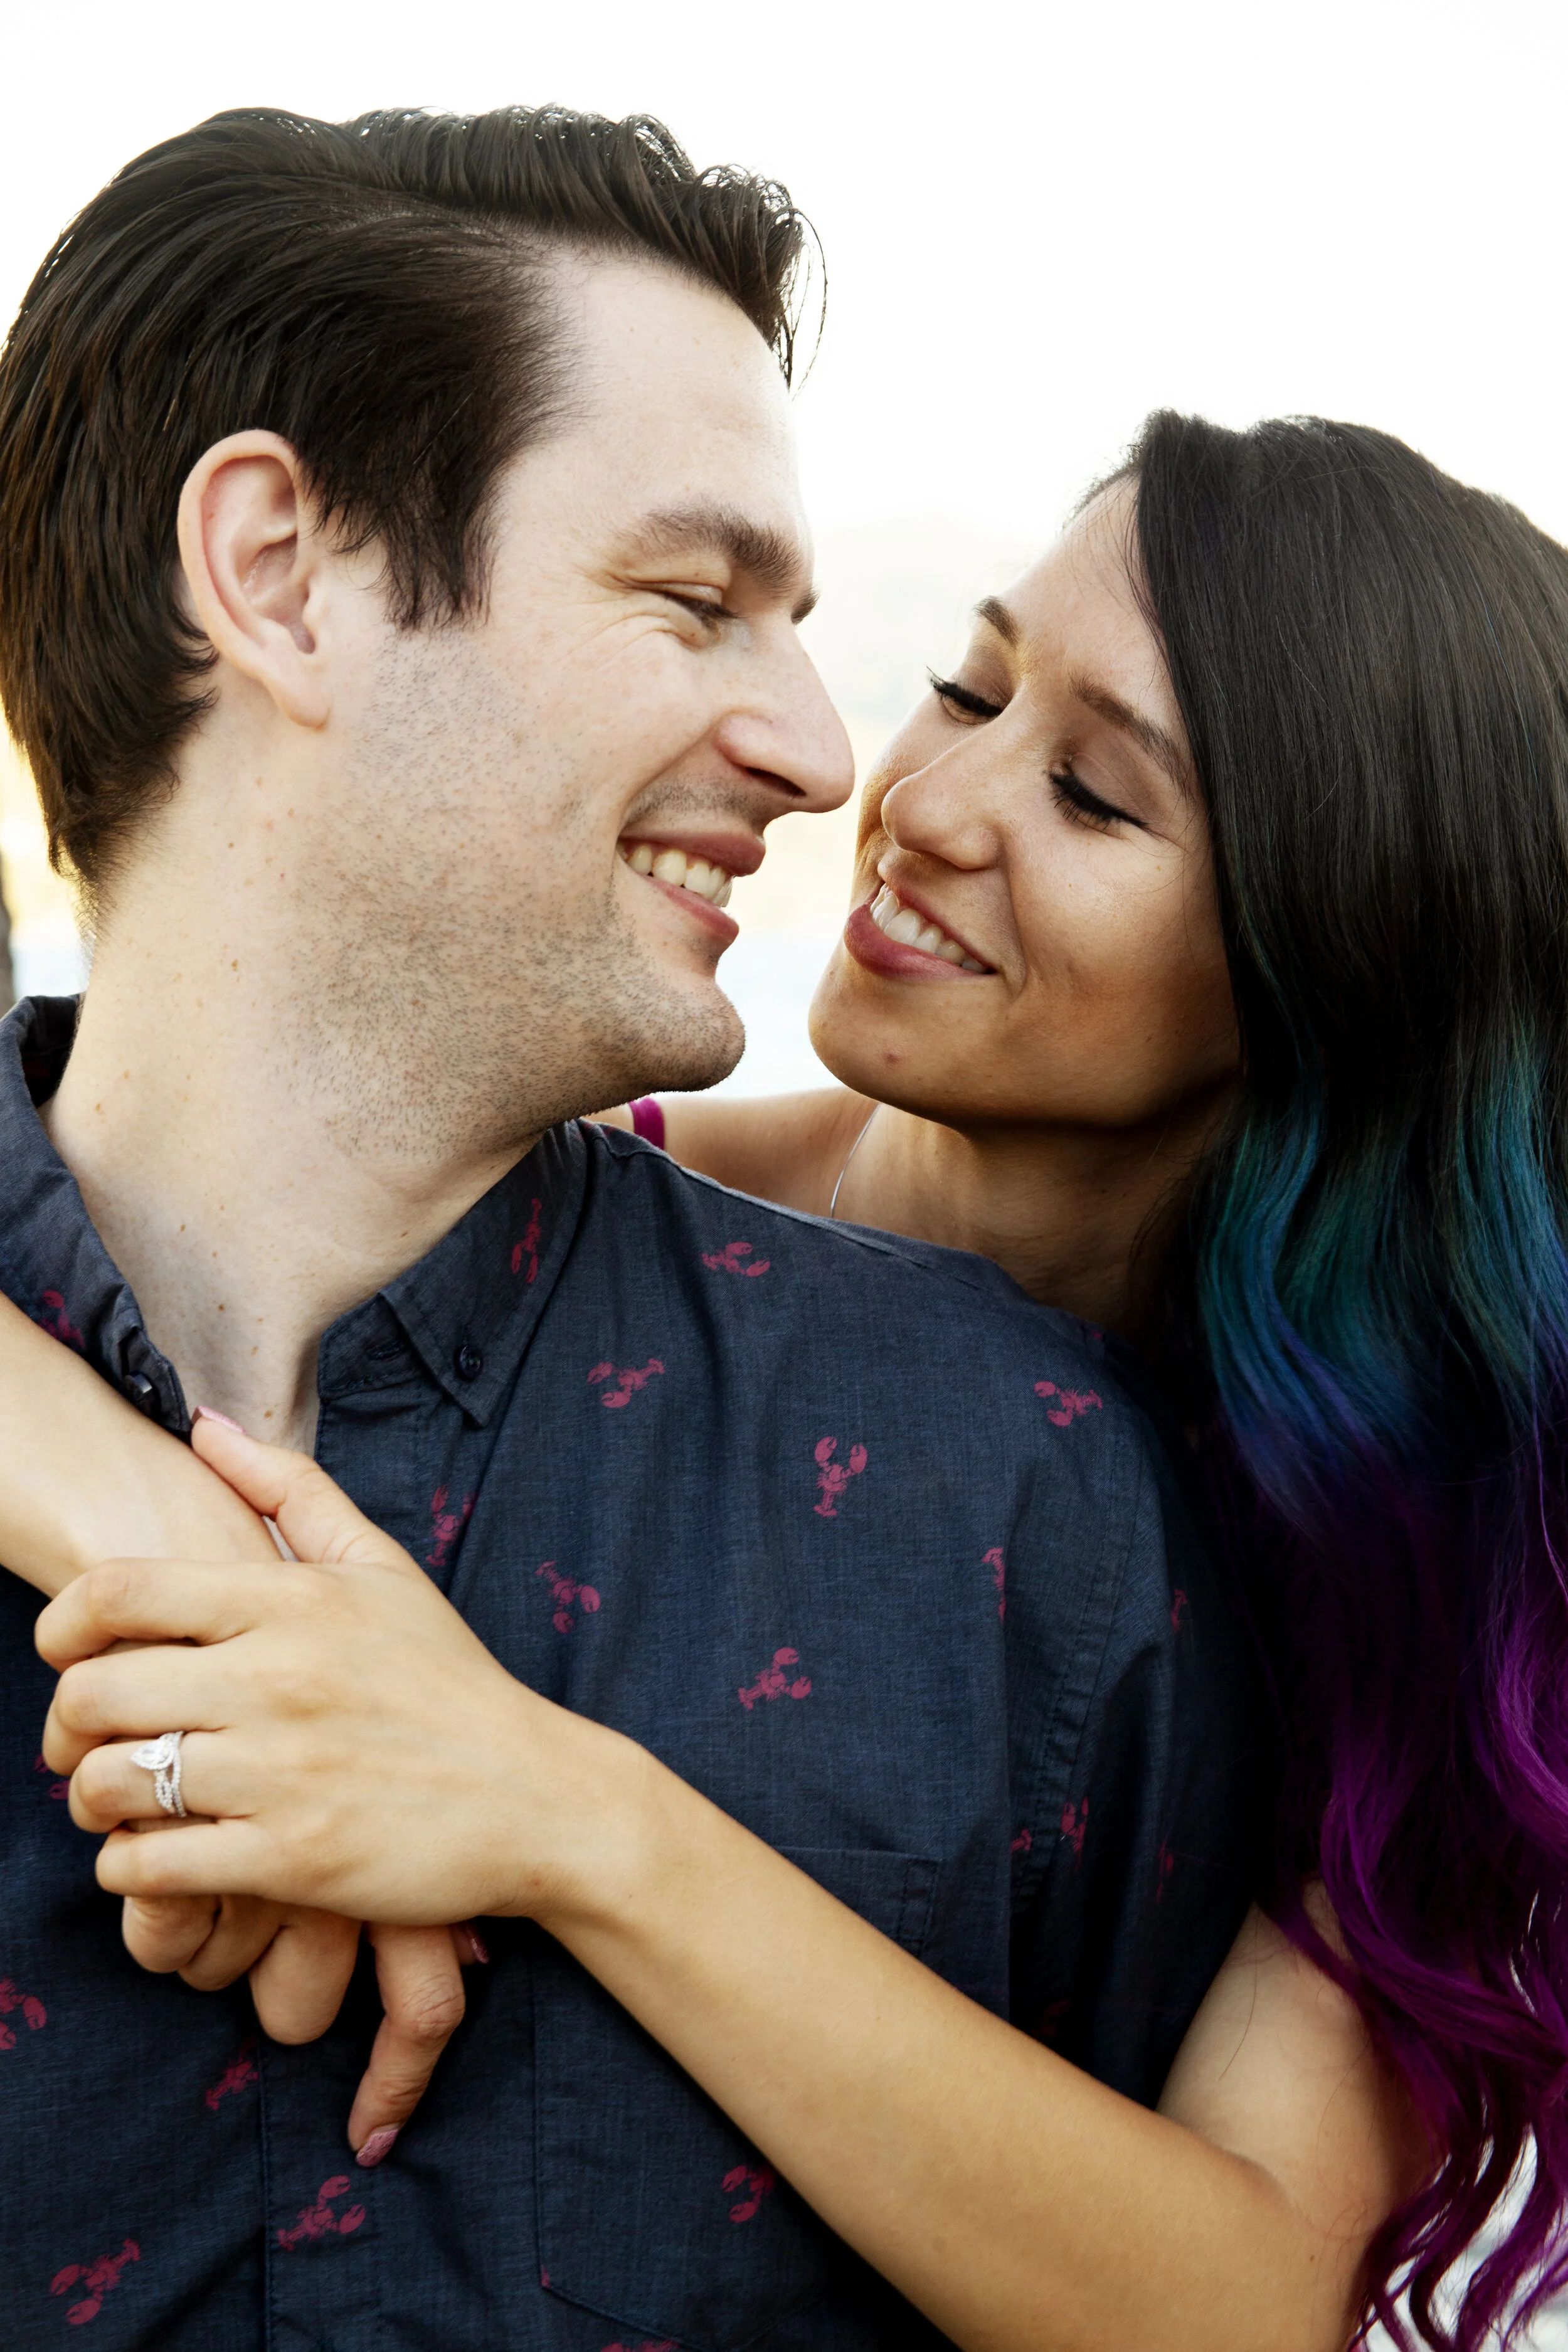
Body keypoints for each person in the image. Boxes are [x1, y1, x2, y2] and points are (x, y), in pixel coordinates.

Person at [7, 393, 1565, 2352]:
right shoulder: (590, 1202)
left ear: (1334, 971)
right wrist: (136, 1507)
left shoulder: (1394, 1536)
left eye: (1092, 795)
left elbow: (1235, 2300)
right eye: (965, 686)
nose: (916, 798)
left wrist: (566, 1810)